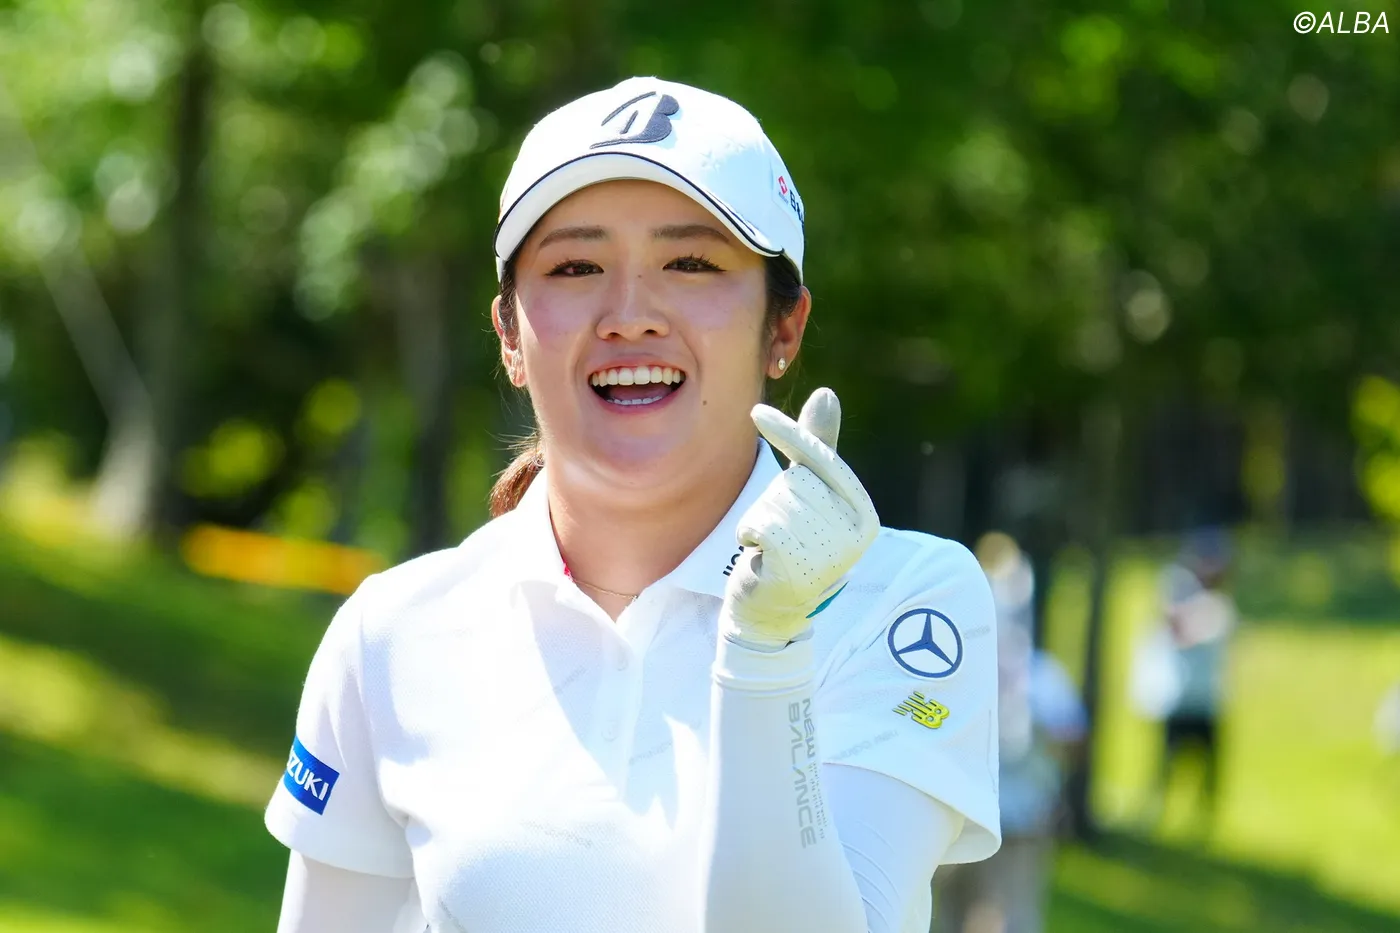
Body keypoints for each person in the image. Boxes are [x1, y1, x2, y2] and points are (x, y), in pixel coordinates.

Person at [266, 77, 1000, 933]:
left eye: (691, 264)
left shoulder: (905, 598)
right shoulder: (392, 630)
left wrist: (766, 647)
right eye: (576, 267)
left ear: (784, 328)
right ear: (509, 333)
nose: (629, 316)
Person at [934, 533, 1085, 933]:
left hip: (979, 815)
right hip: (1002, 817)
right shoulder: (1040, 672)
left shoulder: (955, 669)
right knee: (1001, 915)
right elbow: (1071, 735)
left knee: (967, 915)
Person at [1130, 528, 1236, 834]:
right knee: (1166, 765)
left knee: (1207, 770)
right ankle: (1157, 813)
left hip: (1206, 702)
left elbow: (1186, 634)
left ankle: (1204, 822)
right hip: (1178, 699)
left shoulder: (1218, 606)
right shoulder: (1189, 596)